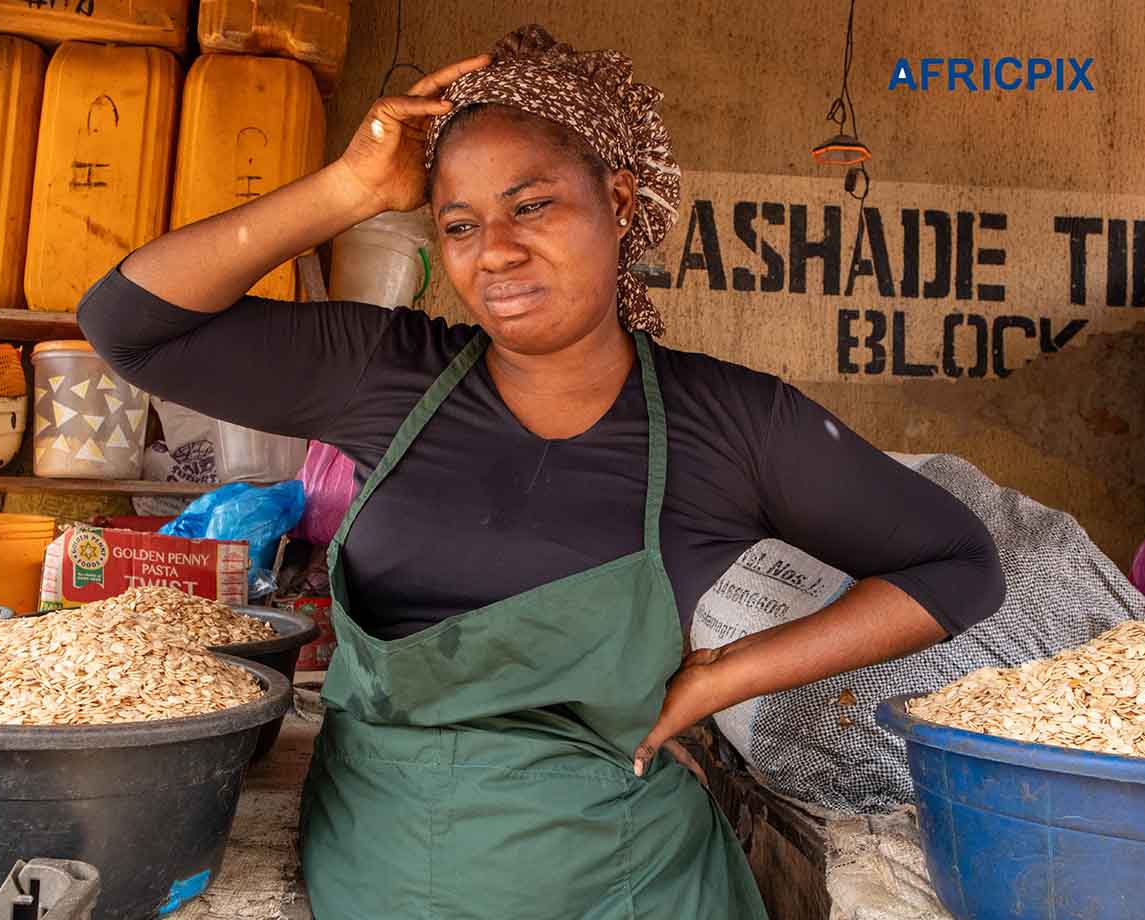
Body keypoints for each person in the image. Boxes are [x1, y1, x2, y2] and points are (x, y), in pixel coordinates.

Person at [79, 25, 1004, 920]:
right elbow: (129, 323)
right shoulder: (386, 373)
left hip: (627, 877)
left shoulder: (734, 423)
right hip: (383, 860)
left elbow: (959, 565)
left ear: (622, 204)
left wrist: (724, 677)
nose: (498, 250)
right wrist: (348, 187)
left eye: (532, 205)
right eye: (459, 223)